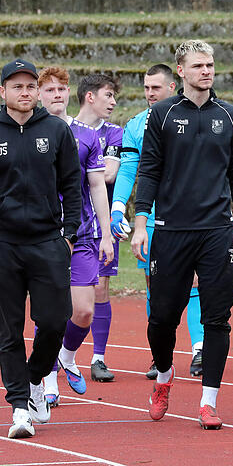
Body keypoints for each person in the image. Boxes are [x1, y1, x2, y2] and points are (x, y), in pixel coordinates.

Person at [131, 40, 233, 430]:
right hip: (171, 230)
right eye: (198, 65)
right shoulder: (162, 115)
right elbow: (148, 169)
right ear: (181, 70)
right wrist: (140, 221)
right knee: (163, 317)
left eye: (211, 65)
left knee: (219, 318)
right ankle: (164, 376)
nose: (207, 71)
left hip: (216, 231)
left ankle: (208, 402)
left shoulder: (231, 116)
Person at [0, 59, 81, 438]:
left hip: (49, 242)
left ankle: (36, 379)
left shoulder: (55, 130)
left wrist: (69, 236)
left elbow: (72, 183)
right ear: (3, 92)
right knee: (9, 330)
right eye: (16, 86)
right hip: (4, 245)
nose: (25, 92)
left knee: (54, 321)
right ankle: (19, 408)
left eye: (30, 86)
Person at [110, 63, 204, 379]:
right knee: (155, 287)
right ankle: (159, 354)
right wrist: (118, 207)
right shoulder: (135, 125)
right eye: (146, 88)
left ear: (172, 87)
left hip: (190, 216)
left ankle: (200, 349)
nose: (150, 94)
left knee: (192, 283)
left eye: (156, 88)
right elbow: (127, 169)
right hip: (152, 218)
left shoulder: (190, 117)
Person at [38, 68, 115, 405]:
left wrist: (107, 234)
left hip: (82, 233)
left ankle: (66, 357)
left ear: (69, 94)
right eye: (49, 89)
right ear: (39, 95)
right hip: (41, 235)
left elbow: (97, 185)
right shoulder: (29, 132)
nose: (56, 94)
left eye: (61, 89)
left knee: (83, 310)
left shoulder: (87, 135)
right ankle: (48, 376)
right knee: (50, 309)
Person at [73, 74, 123, 384]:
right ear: (90, 97)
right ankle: (61, 358)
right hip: (68, 222)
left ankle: (98, 357)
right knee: (64, 296)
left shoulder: (114, 133)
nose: (113, 102)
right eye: (108, 95)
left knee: (100, 289)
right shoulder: (63, 130)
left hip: (98, 222)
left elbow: (109, 174)